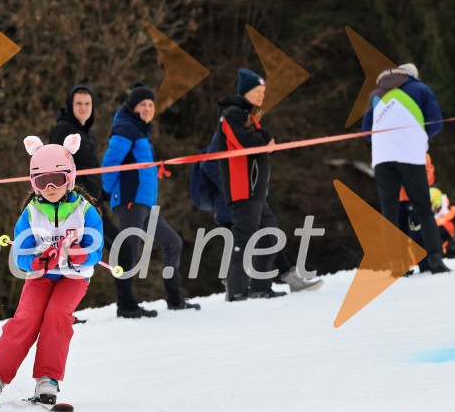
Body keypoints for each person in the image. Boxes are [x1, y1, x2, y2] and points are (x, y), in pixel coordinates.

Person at [0, 134, 103, 406]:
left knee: (57, 316)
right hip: (41, 276)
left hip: (73, 277)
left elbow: (96, 248)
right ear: (33, 183)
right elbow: (20, 252)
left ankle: (48, 378)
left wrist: (81, 254)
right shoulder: (31, 213)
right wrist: (35, 262)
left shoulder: (84, 211)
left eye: (56, 180)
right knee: (26, 318)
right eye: (40, 181)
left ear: (69, 178)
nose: (49, 187)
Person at [101, 83, 199, 318]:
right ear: (133, 107)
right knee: (130, 252)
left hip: (145, 202)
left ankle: (174, 298)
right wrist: (104, 192)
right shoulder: (126, 128)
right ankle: (125, 305)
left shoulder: (141, 131)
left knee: (173, 242)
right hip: (131, 200)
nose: (147, 108)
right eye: (142, 105)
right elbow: (110, 162)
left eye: (150, 105)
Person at [191, 135, 323, 292]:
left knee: (265, 237)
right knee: (263, 237)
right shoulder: (230, 125)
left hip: (249, 196)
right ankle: (283, 280)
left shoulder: (248, 128)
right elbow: (209, 163)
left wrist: (267, 149)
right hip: (236, 200)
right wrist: (236, 188)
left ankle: (285, 279)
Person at [361, 63, 449, 274]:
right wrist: (416, 137)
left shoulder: (376, 93)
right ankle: (435, 260)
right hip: (411, 155)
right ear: (413, 76)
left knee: (389, 211)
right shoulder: (421, 89)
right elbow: (436, 124)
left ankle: (397, 265)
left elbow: (366, 132)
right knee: (423, 208)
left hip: (382, 157)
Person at [216, 69, 288, 301]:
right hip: (243, 189)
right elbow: (245, 142)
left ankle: (260, 287)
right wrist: (266, 137)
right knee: (244, 240)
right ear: (246, 92)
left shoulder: (248, 115)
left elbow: (257, 144)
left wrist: (266, 140)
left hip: (256, 190)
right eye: (258, 91)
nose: (261, 96)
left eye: (263, 92)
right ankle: (236, 290)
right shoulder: (232, 114)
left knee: (270, 236)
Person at [50, 84, 121, 263]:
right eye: (79, 104)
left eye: (87, 104)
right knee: (115, 249)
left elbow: (91, 166)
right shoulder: (63, 130)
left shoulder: (88, 134)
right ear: (70, 106)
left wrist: (103, 192)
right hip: (78, 205)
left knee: (120, 248)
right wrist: (81, 187)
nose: (83, 108)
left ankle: (125, 290)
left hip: (95, 202)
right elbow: (57, 166)